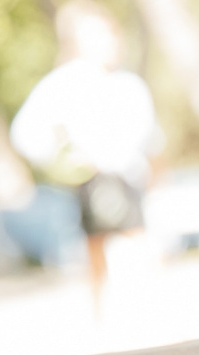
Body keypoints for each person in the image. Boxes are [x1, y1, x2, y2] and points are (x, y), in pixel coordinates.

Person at [9, 1, 159, 311]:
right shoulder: (64, 84)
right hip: (92, 184)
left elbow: (150, 139)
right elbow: (27, 135)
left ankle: (144, 312)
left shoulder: (127, 84)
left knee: (138, 255)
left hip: (129, 180)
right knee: (98, 258)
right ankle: (103, 318)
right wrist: (67, 162)